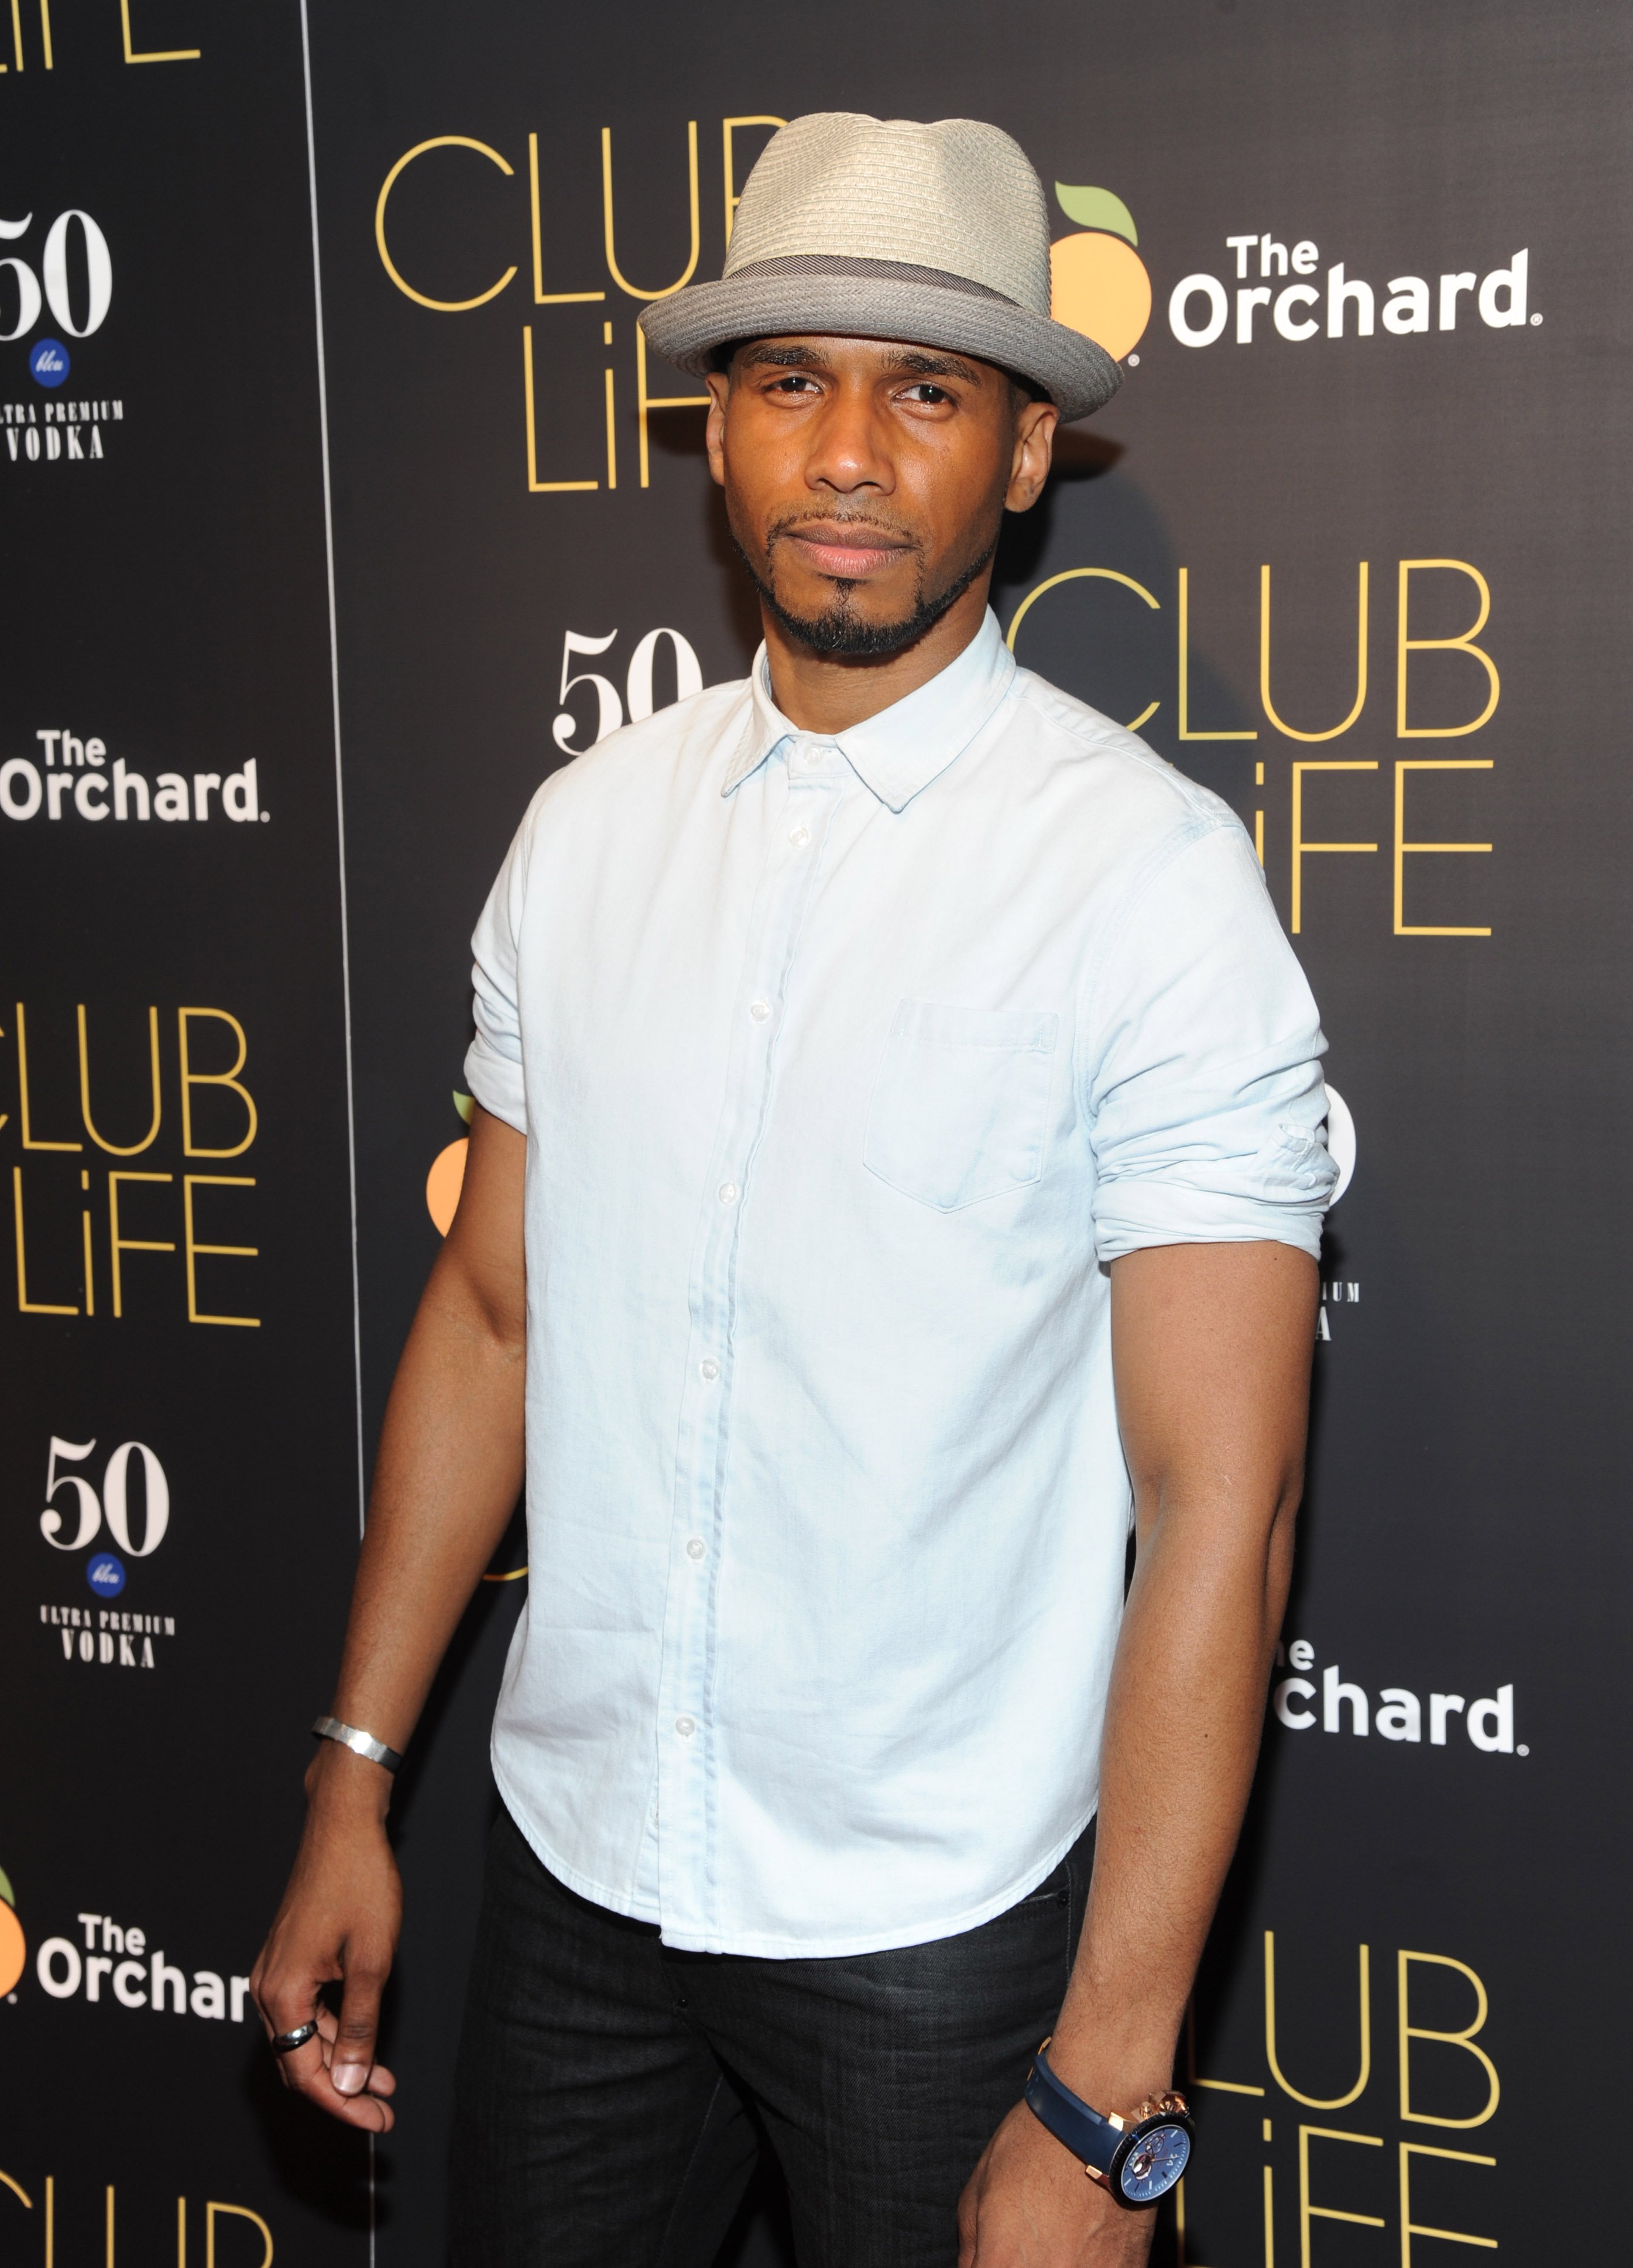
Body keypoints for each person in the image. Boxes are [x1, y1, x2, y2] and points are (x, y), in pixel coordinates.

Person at [251, 112, 1336, 2268]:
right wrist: (357, 1774)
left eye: (925, 388)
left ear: (1022, 454)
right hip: (578, 1879)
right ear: (717, 439)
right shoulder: (583, 833)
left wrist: (1106, 2090)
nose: (849, 450)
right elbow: (491, 1313)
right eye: (789, 380)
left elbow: (1227, 1503)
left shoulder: (1150, 889)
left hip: (937, 1940)